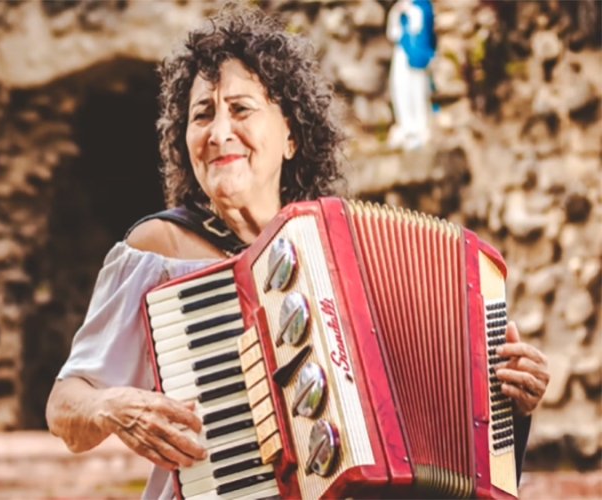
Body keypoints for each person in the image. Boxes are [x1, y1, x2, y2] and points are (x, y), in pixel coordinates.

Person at [45, 5, 549, 499]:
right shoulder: (158, 251)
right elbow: (65, 405)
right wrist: (109, 406)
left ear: (290, 135)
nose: (219, 132)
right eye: (202, 114)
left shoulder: (338, 254)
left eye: (240, 109)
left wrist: (511, 398)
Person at [386, 0, 437, 150]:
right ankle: (406, 126)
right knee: (400, 87)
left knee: (418, 90)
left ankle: (420, 129)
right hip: (401, 54)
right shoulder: (398, 7)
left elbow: (420, 29)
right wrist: (396, 13)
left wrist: (409, 11)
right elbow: (393, 33)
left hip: (416, 56)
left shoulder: (423, 6)